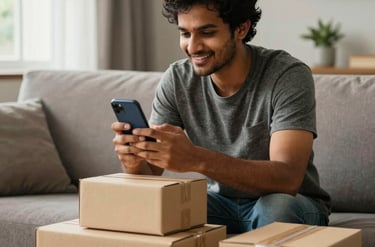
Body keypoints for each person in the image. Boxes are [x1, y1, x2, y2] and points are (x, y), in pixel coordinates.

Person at [112, 0, 331, 234]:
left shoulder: (286, 75)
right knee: (149, 208)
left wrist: (196, 158)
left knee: (277, 208)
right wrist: (133, 163)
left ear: (241, 29)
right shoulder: (177, 79)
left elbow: (288, 179)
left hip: (289, 201)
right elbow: (150, 178)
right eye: (185, 33)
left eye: (207, 33)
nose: (193, 47)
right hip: (218, 203)